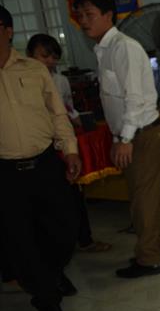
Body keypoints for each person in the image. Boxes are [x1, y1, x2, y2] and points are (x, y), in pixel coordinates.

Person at [73, 0, 160, 278]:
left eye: (90, 14)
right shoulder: (104, 49)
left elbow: (134, 98)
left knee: (142, 200)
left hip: (140, 134)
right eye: (80, 15)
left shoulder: (122, 47)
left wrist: (124, 138)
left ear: (108, 15)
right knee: (150, 196)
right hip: (135, 133)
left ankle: (148, 259)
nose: (83, 21)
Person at [0, 5, 81, 311]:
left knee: (63, 228)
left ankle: (52, 273)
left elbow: (57, 114)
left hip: (45, 162)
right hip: (5, 171)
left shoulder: (34, 70)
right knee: (20, 238)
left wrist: (71, 149)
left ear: (8, 30)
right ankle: (46, 298)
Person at [26, 33, 112, 254]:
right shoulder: (23, 80)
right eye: (44, 56)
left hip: (63, 147)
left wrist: (75, 121)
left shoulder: (61, 80)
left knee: (73, 196)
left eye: (53, 57)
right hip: (37, 149)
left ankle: (84, 239)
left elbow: (65, 109)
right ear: (30, 56)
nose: (49, 62)